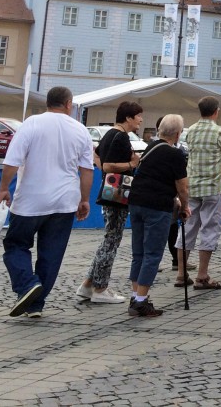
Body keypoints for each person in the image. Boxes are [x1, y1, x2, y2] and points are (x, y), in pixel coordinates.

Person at [0, 86, 94, 318]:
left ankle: (27, 285)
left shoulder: (31, 124)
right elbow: (87, 170)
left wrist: (3, 188)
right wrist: (84, 199)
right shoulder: (80, 130)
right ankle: (35, 304)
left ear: (48, 102)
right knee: (51, 253)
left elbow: (12, 161)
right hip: (65, 201)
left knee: (16, 245)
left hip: (31, 199)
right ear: (68, 104)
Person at [78, 100, 143, 304]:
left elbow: (96, 156)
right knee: (111, 240)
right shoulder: (120, 136)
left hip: (109, 191)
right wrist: (131, 164)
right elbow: (107, 165)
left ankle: (87, 284)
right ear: (128, 118)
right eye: (138, 116)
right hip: (117, 194)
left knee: (110, 238)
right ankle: (100, 288)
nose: (141, 120)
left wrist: (106, 170)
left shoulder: (109, 134)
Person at [126, 114, 190, 318]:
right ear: (178, 134)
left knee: (138, 252)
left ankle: (135, 296)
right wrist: (185, 206)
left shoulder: (150, 147)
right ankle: (141, 301)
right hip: (157, 205)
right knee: (152, 254)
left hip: (136, 202)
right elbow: (183, 187)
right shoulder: (175, 154)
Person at [177, 96, 221, 289]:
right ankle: (202, 275)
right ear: (216, 112)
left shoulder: (191, 130)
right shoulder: (220, 131)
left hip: (192, 186)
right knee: (209, 229)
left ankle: (181, 274)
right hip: (213, 187)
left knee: (188, 227)